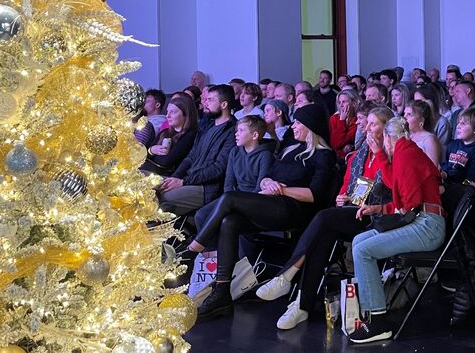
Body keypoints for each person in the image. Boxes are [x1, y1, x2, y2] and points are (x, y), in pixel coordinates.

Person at [192, 104, 336, 319]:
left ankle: (195, 245)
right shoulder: (291, 149)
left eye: (298, 122)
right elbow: (268, 175)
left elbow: (314, 195)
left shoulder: (323, 155)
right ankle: (221, 293)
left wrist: (284, 190)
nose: (293, 126)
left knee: (229, 198)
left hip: (294, 209)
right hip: (271, 202)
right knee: (229, 222)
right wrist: (268, 182)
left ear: (310, 126)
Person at [255, 107, 394, 330]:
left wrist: (379, 157)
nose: (366, 128)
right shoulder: (358, 155)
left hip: (378, 215)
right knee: (323, 234)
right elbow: (347, 186)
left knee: (323, 219)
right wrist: (342, 196)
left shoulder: (393, 154)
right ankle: (301, 305)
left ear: (386, 129)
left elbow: (394, 190)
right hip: (352, 211)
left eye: (373, 124)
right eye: (365, 123)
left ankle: (288, 277)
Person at [347, 117, 446, 343]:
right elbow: (402, 194)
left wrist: (380, 155)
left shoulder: (405, 152)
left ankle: (378, 322)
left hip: (427, 226)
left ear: (390, 138)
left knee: (364, 251)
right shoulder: (405, 151)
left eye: (384, 141)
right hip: (423, 220)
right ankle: (371, 311)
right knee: (359, 241)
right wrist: (379, 207)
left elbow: (408, 203)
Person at [157, 85, 237, 215]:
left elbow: (218, 169)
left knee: (160, 199)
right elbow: (191, 156)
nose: (205, 103)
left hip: (205, 188)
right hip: (188, 179)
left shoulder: (233, 131)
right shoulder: (206, 126)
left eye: (210, 100)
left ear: (223, 104)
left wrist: (183, 182)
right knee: (144, 185)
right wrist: (175, 178)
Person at [142, 95, 199, 176]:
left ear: (186, 114)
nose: (167, 116)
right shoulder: (165, 132)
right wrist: (151, 150)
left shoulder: (190, 135)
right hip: (151, 169)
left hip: (165, 175)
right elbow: (144, 154)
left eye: (173, 112)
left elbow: (166, 162)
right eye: (167, 111)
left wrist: (150, 154)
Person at [441, 107, 475, 186]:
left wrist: (450, 177)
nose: (458, 126)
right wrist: (443, 173)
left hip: (468, 190)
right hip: (449, 184)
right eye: (459, 122)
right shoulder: (453, 144)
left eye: (463, 124)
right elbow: (445, 165)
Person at [402, 101, 443, 167]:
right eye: (404, 113)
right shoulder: (405, 136)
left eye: (409, 114)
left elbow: (433, 168)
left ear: (421, 120)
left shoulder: (429, 139)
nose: (404, 117)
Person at [414, 84, 452, 150]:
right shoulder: (415, 120)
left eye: (420, 101)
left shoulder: (442, 122)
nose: (417, 105)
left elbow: (440, 150)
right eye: (415, 102)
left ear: (431, 101)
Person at [329, 88, 360, 159]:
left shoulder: (358, 120)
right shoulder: (334, 119)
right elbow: (334, 144)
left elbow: (340, 143)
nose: (341, 105)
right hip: (334, 157)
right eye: (339, 102)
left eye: (344, 102)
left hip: (351, 157)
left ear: (354, 103)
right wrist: (342, 120)